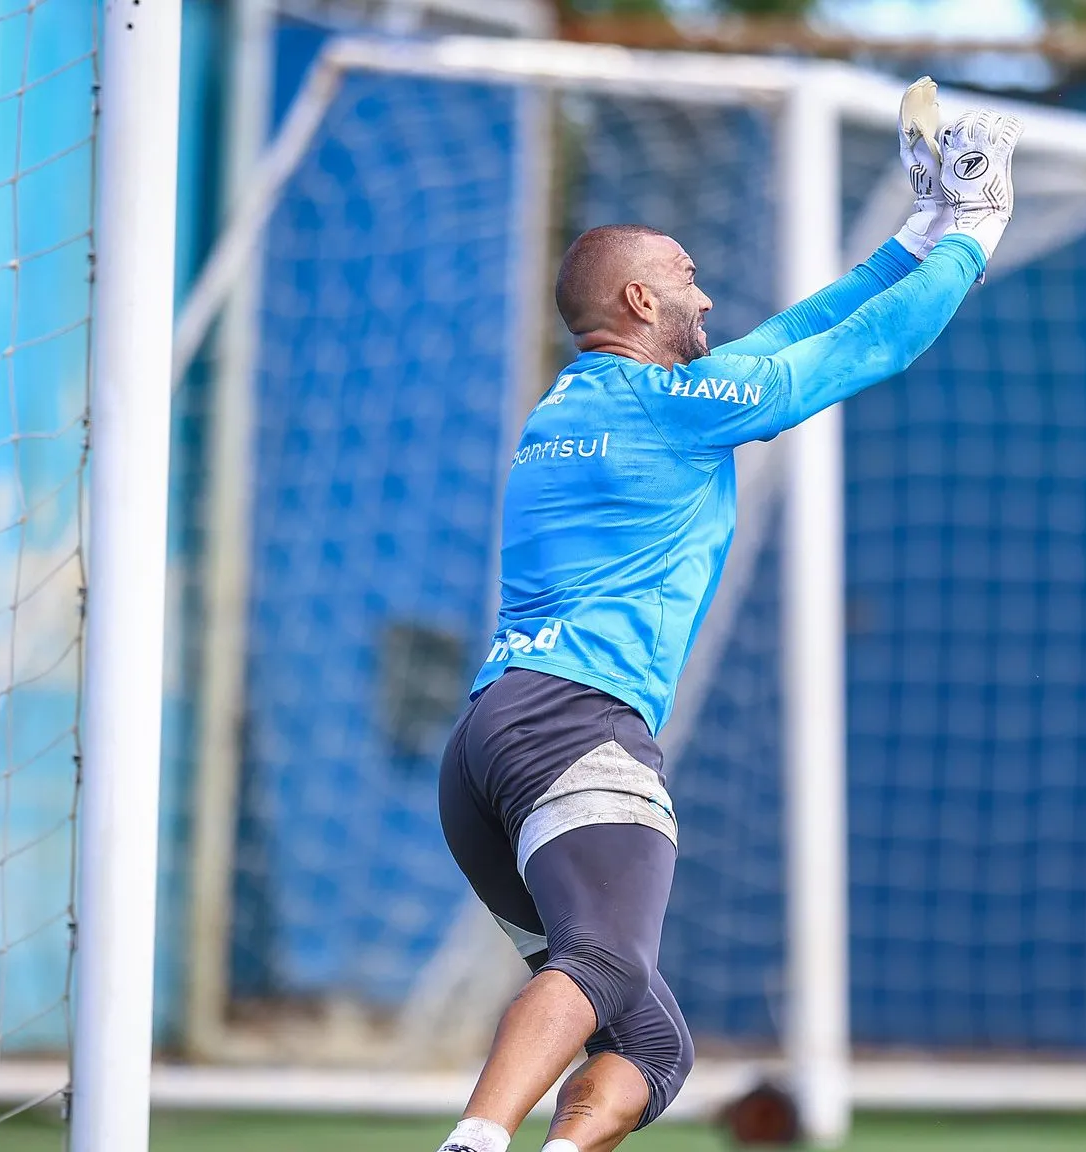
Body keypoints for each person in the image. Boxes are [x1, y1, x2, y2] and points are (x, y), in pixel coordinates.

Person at [432, 81, 1022, 1152]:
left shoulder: (581, 400)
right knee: (604, 964)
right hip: (578, 729)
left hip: (481, 752)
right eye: (686, 280)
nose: (706, 299)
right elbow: (856, 355)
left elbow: (790, 333)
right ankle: (476, 1140)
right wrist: (972, 240)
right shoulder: (668, 411)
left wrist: (917, 232)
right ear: (640, 307)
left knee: (652, 1044)